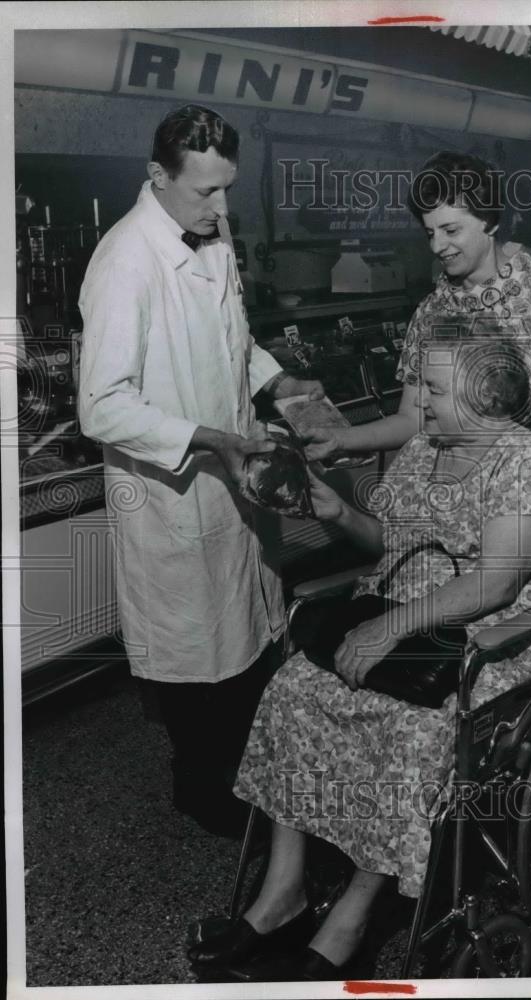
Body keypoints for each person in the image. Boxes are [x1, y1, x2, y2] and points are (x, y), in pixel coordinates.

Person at [187, 336, 531, 981]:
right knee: (294, 689)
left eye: (432, 390)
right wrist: (339, 511)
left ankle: (354, 912)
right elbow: (389, 543)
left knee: (407, 727)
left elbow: (497, 583)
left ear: (486, 395)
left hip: (501, 634)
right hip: (408, 615)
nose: (418, 403)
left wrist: (389, 628)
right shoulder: (421, 453)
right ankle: (282, 892)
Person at [78, 104, 323, 837]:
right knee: (192, 651)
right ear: (157, 177)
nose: (221, 208)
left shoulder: (213, 243)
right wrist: (213, 437)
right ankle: (197, 784)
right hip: (171, 490)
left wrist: (279, 385)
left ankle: (240, 766)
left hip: (232, 480)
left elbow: (234, 343)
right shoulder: (126, 261)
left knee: (245, 633)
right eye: (204, 193)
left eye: (227, 190)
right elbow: (101, 405)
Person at [306, 151, 531, 504]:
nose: (437, 246)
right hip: (465, 479)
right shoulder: (433, 311)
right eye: (430, 232)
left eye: (450, 230)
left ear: (489, 222)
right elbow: (413, 417)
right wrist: (342, 439)